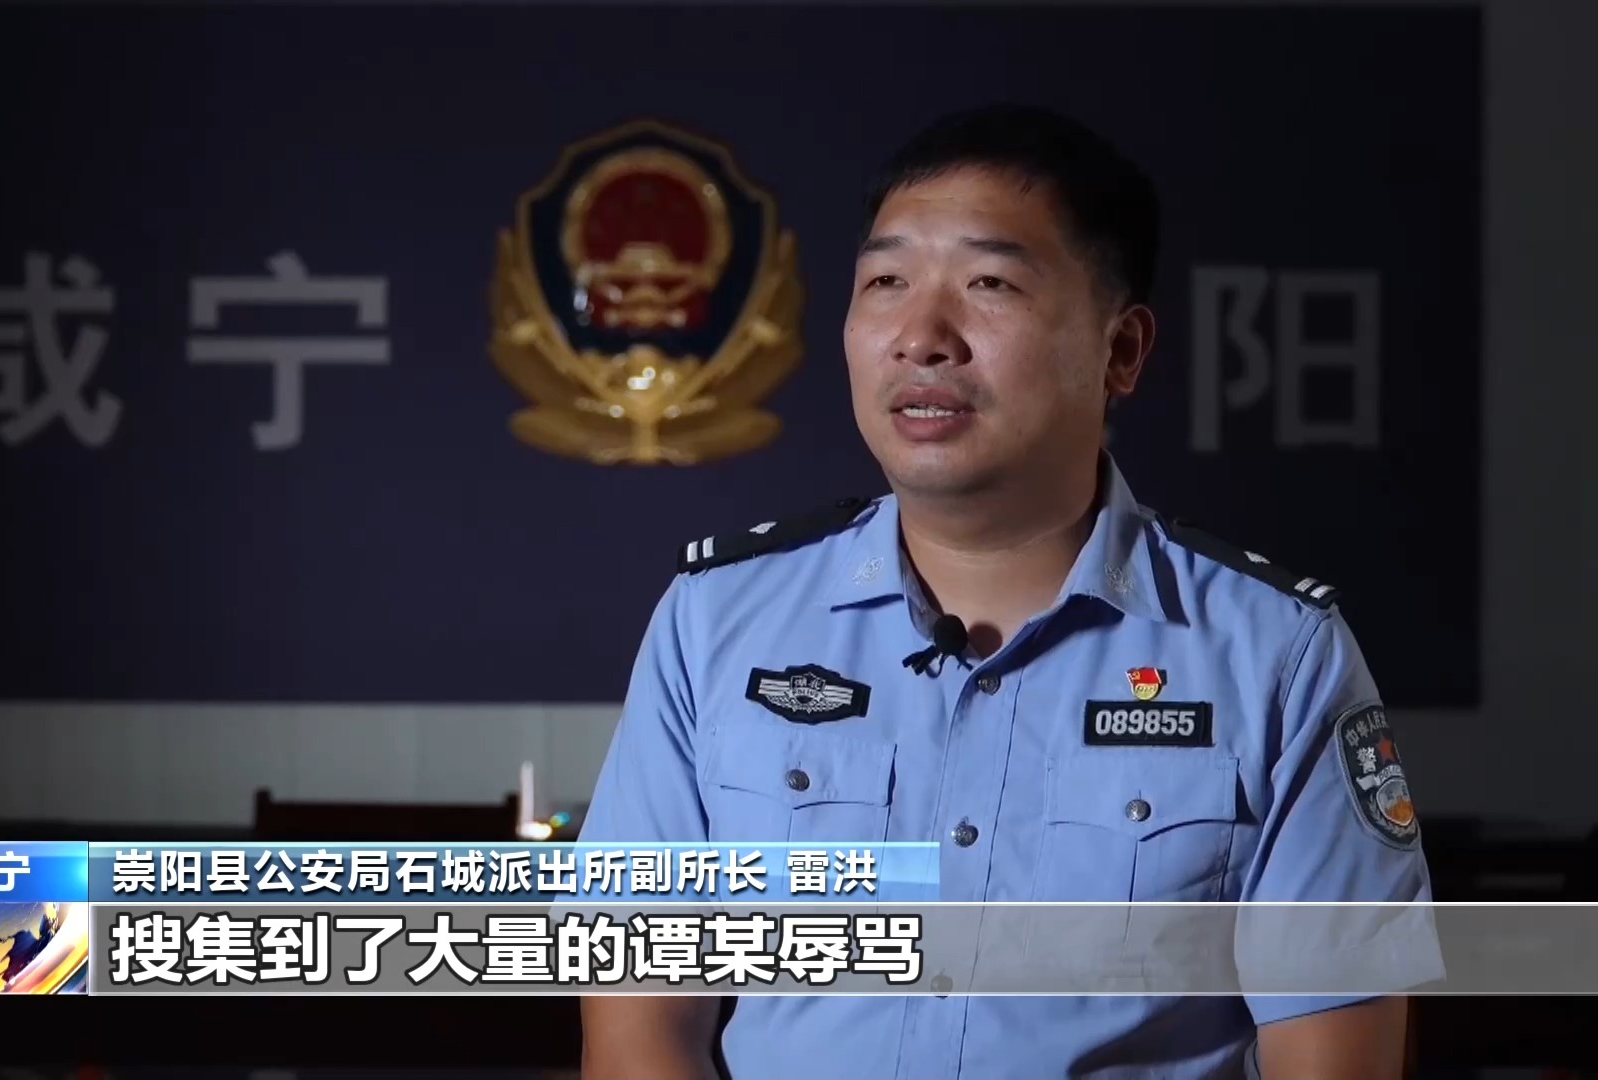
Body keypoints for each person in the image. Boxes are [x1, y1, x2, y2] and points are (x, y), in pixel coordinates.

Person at [575, 103, 1442, 1080]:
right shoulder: (716, 622)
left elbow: (1331, 1056)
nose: (922, 337)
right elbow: (640, 1028)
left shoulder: (1277, 655)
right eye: (887, 282)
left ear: (1121, 351)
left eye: (989, 284)